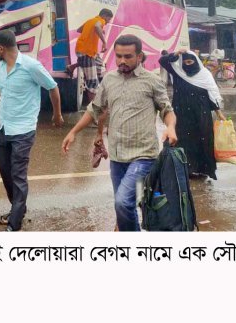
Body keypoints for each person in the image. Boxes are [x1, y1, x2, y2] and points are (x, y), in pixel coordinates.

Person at [62, 34, 177, 232]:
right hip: (117, 156)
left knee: (123, 203)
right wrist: (74, 132)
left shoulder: (152, 80)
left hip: (143, 155)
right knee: (124, 206)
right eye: (119, 56)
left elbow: (167, 110)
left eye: (128, 56)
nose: (122, 61)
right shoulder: (109, 79)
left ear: (139, 56)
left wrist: (171, 127)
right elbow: (95, 109)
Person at [0, 29, 64, 231]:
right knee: (6, 173)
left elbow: (52, 87)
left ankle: (15, 223)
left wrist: (57, 114)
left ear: (1, 48)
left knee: (18, 175)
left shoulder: (31, 66)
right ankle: (17, 209)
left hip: (23, 130)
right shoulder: (2, 66)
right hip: (2, 127)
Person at [159, 49, 226, 180]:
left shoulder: (204, 75)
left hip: (201, 114)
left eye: (190, 61)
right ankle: (187, 169)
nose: (188, 64)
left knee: (203, 141)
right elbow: (162, 61)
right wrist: (176, 54)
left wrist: (219, 113)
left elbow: (211, 95)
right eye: (185, 62)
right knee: (184, 141)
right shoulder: (178, 73)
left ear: (196, 62)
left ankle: (203, 169)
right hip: (182, 114)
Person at [65, 9, 113, 101]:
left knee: (100, 66)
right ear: (104, 16)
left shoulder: (90, 20)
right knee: (92, 82)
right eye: (108, 19)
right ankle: (94, 108)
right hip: (86, 52)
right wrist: (104, 42)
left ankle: (72, 67)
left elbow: (79, 30)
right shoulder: (101, 21)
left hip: (86, 51)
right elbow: (97, 26)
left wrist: (93, 31)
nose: (108, 22)